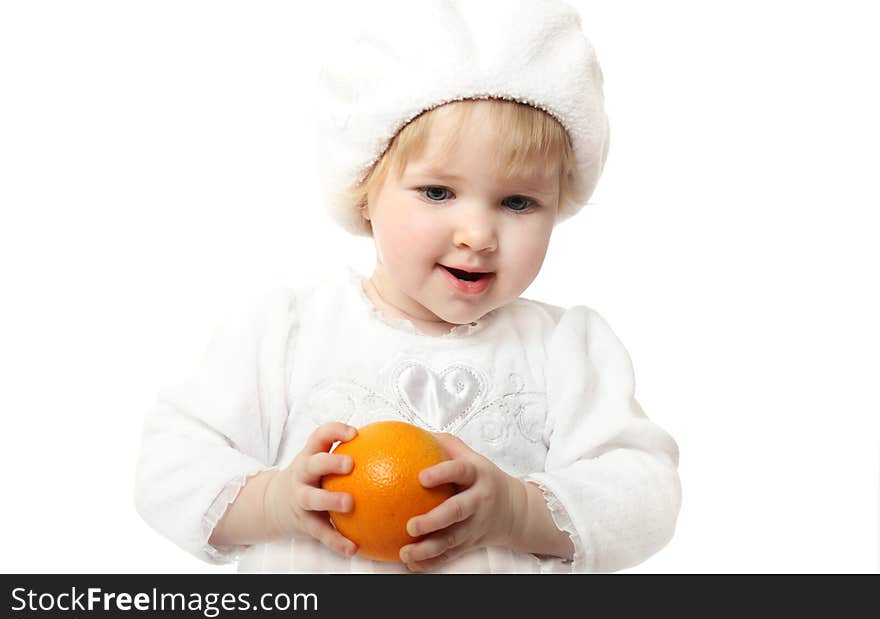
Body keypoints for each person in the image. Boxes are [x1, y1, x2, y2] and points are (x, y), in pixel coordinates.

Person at [135, 0, 681, 573]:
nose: (477, 234)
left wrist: (520, 510)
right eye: (438, 192)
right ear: (365, 190)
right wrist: (273, 502)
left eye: (517, 201)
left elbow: (646, 493)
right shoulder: (288, 333)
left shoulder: (563, 348)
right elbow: (168, 466)